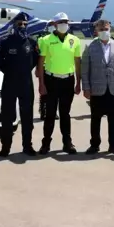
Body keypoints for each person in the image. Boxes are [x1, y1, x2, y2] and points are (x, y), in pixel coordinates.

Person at [81, 19, 114, 155]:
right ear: (96, 31)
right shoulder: (90, 47)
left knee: (113, 120)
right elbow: (85, 69)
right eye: (101, 29)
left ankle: (113, 145)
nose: (104, 31)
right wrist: (86, 88)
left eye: (106, 29)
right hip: (97, 90)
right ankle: (94, 145)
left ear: (110, 29)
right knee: (95, 119)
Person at [37, 12, 81, 155]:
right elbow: (41, 63)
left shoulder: (75, 40)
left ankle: (67, 143)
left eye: (66, 22)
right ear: (54, 24)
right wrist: (41, 84)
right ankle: (46, 143)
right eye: (61, 22)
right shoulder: (46, 40)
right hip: (51, 80)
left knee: (65, 114)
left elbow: (77, 62)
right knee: (49, 114)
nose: (64, 24)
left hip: (68, 80)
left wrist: (78, 82)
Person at [0, 12, 39, 157]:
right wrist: (10, 71)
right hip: (10, 82)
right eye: (20, 24)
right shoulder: (5, 41)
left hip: (26, 82)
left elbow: (35, 60)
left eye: (25, 24)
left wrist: (25, 70)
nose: (22, 26)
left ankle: (27, 146)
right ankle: (5, 147)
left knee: (27, 117)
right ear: (14, 25)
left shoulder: (32, 42)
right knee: (7, 116)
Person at [36, 20, 55, 121]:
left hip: (52, 67)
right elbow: (38, 56)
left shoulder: (54, 38)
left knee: (53, 93)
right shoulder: (42, 39)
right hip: (44, 67)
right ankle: (43, 112)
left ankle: (52, 111)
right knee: (44, 93)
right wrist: (37, 69)